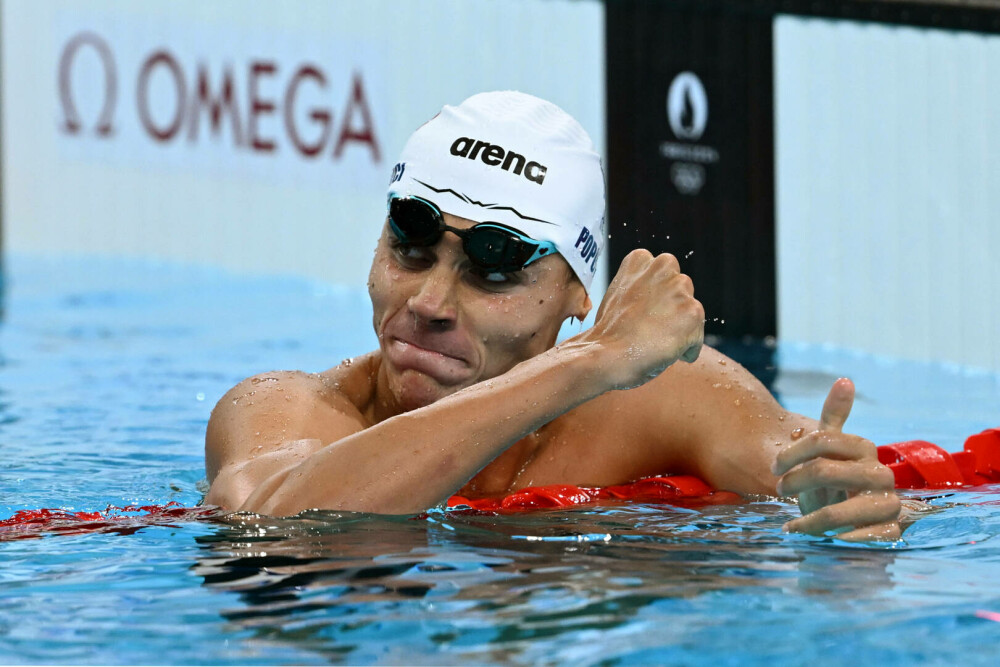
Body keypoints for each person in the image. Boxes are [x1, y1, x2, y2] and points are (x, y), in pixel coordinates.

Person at [204, 91, 901, 541]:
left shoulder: (661, 399)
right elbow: (275, 528)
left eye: (495, 266)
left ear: (577, 295)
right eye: (411, 244)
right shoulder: (286, 410)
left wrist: (852, 502)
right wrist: (589, 361)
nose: (428, 304)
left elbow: (820, 482)